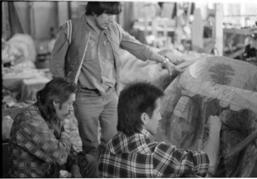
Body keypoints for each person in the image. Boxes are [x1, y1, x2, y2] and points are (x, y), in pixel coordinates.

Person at [50, 2, 178, 158]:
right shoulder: (71, 29)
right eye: (107, 14)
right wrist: (63, 95)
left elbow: (138, 47)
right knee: (90, 145)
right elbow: (56, 64)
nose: (111, 19)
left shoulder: (114, 29)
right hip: (85, 96)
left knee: (113, 141)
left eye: (113, 15)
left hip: (110, 96)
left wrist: (164, 61)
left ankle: (108, 171)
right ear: (94, 12)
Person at [99, 82, 222, 177]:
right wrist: (215, 130)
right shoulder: (156, 155)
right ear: (144, 117)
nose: (160, 117)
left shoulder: (109, 147)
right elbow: (210, 164)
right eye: (157, 112)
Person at [8, 78, 97, 177]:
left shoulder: (52, 114)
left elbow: (69, 151)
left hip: (51, 172)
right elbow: (60, 157)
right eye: (69, 104)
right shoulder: (30, 121)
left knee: (90, 161)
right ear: (55, 102)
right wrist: (65, 132)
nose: (71, 109)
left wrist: (74, 166)